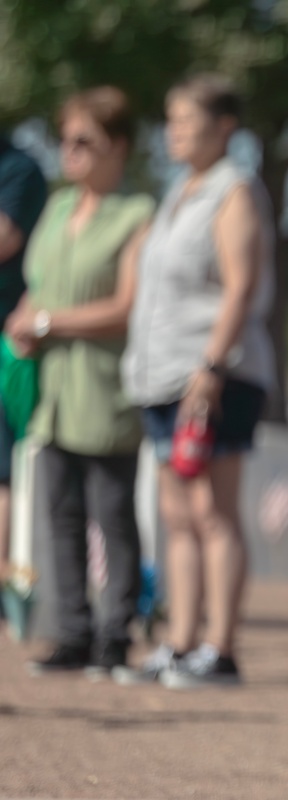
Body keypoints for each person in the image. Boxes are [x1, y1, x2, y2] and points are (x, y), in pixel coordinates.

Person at [117, 73, 275, 689]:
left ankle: (221, 648)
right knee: (174, 514)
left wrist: (210, 368)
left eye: (184, 119)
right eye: (170, 119)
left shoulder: (234, 190)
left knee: (213, 511)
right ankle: (179, 644)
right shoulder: (179, 191)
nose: (172, 131)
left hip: (217, 375)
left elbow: (239, 286)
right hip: (161, 377)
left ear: (224, 126)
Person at [4, 87, 153, 675]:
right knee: (60, 513)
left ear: (117, 147)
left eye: (83, 141)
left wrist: (47, 321)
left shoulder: (137, 214)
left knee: (112, 514)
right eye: (64, 140)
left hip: (106, 387)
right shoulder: (60, 208)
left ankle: (116, 633)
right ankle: (72, 632)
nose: (70, 152)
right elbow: (37, 281)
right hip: (54, 391)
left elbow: (127, 304)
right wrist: (24, 320)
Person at [0, 134, 46, 596]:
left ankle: (4, 583)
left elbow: (5, 237)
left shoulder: (19, 168)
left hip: (8, 343)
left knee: (2, 469)